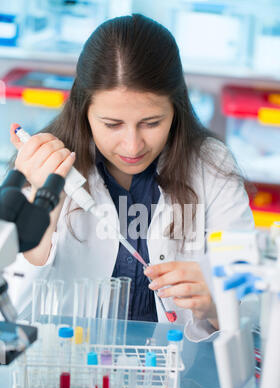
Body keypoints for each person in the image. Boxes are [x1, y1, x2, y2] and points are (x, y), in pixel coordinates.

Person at [7, 14, 254, 341]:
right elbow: (11, 310)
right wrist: (44, 209)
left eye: (151, 122)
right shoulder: (43, 165)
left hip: (177, 371)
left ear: (176, 109)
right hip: (70, 367)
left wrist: (214, 305)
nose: (133, 145)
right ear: (83, 110)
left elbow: (250, 305)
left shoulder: (211, 165)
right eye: (112, 124)